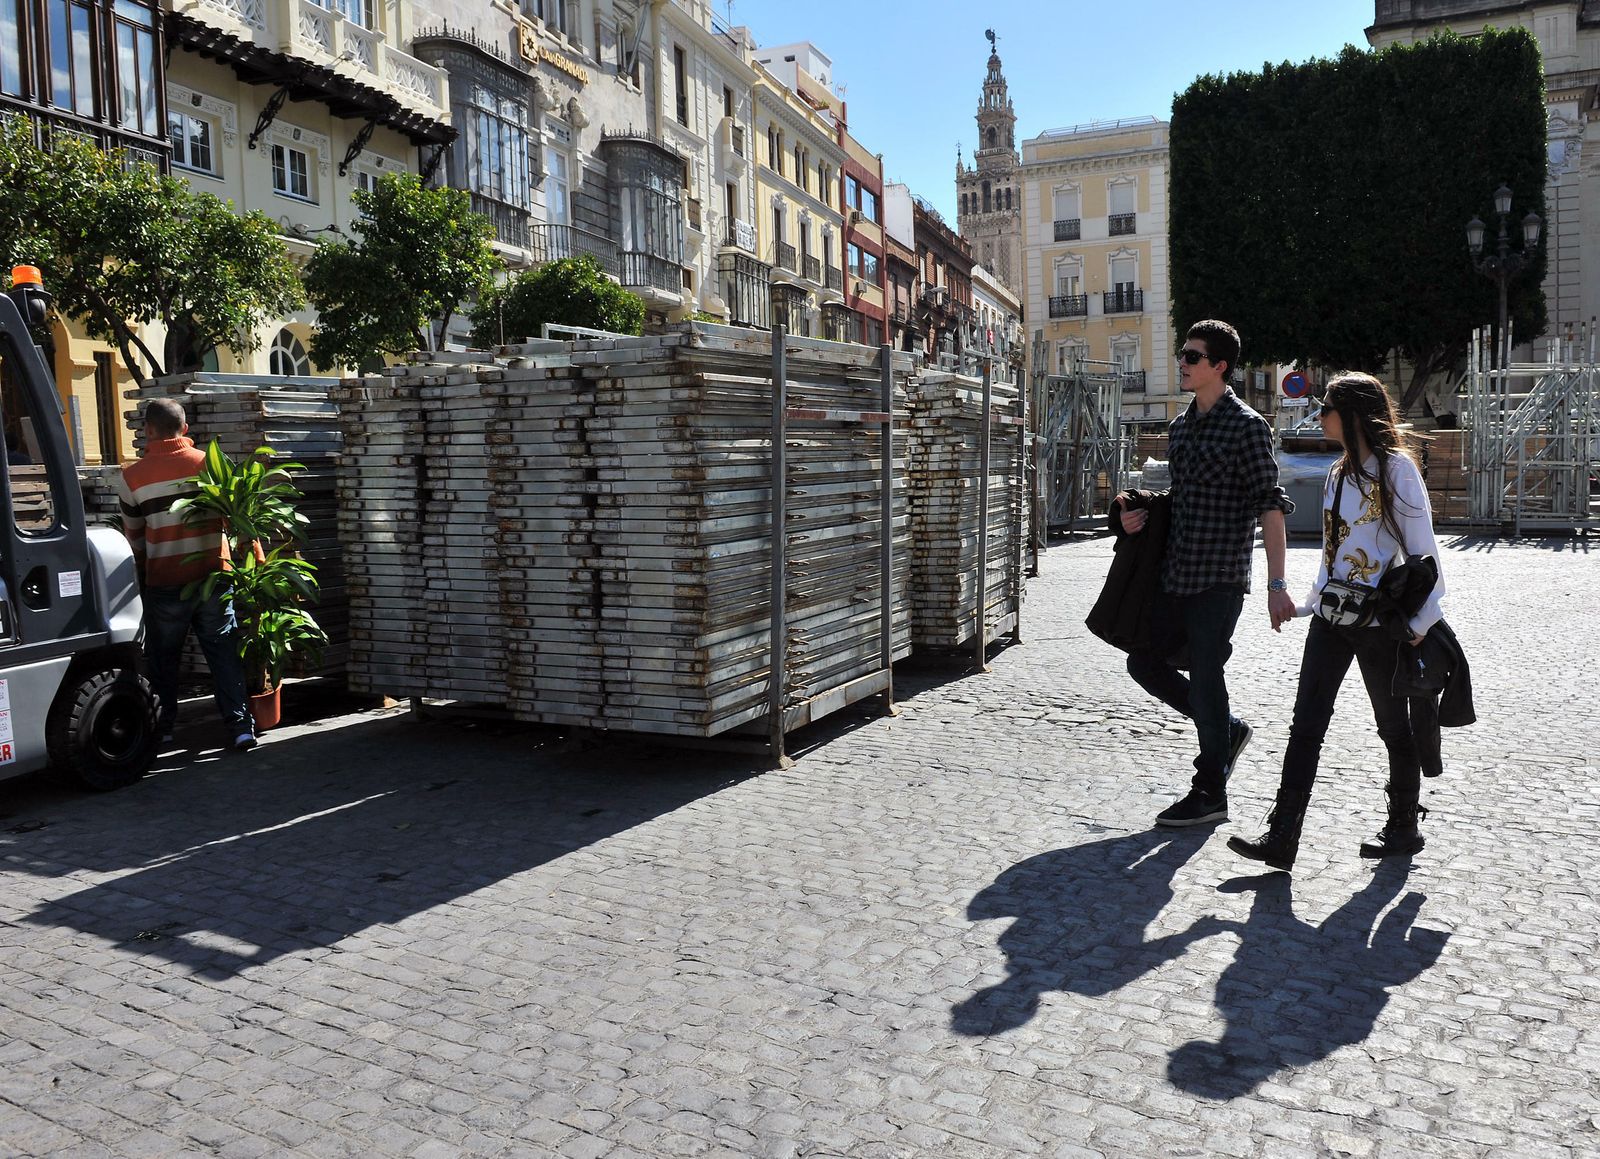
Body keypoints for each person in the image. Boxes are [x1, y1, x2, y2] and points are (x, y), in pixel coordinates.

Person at [1228, 371, 1444, 871]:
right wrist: (1303, 602)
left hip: (1380, 621)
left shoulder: (1398, 471)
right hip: (1331, 616)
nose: (1319, 413)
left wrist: (1422, 621)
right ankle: (1281, 837)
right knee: (1305, 726)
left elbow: (1424, 553)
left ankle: (1404, 826)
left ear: (1352, 415)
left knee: (1393, 727)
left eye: (1326, 405)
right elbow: (1332, 557)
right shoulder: (1337, 473)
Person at [1114, 320, 1295, 827]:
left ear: (1219, 366)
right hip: (1176, 571)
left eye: (1192, 357)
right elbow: (1182, 497)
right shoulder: (1179, 427)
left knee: (1207, 672)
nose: (1182, 363)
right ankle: (1227, 732)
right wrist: (1137, 514)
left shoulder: (1248, 426)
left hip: (1220, 576)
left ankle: (1210, 789)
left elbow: (1270, 507)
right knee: (1144, 663)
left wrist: (1277, 585)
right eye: (1182, 354)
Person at [117, 398, 257, 751]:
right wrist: (253, 554)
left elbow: (134, 537)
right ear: (185, 429)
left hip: (165, 581)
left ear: (147, 431)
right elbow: (237, 518)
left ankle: (163, 728)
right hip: (213, 575)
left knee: (165, 659)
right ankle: (240, 727)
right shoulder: (211, 465)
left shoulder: (131, 477)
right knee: (223, 653)